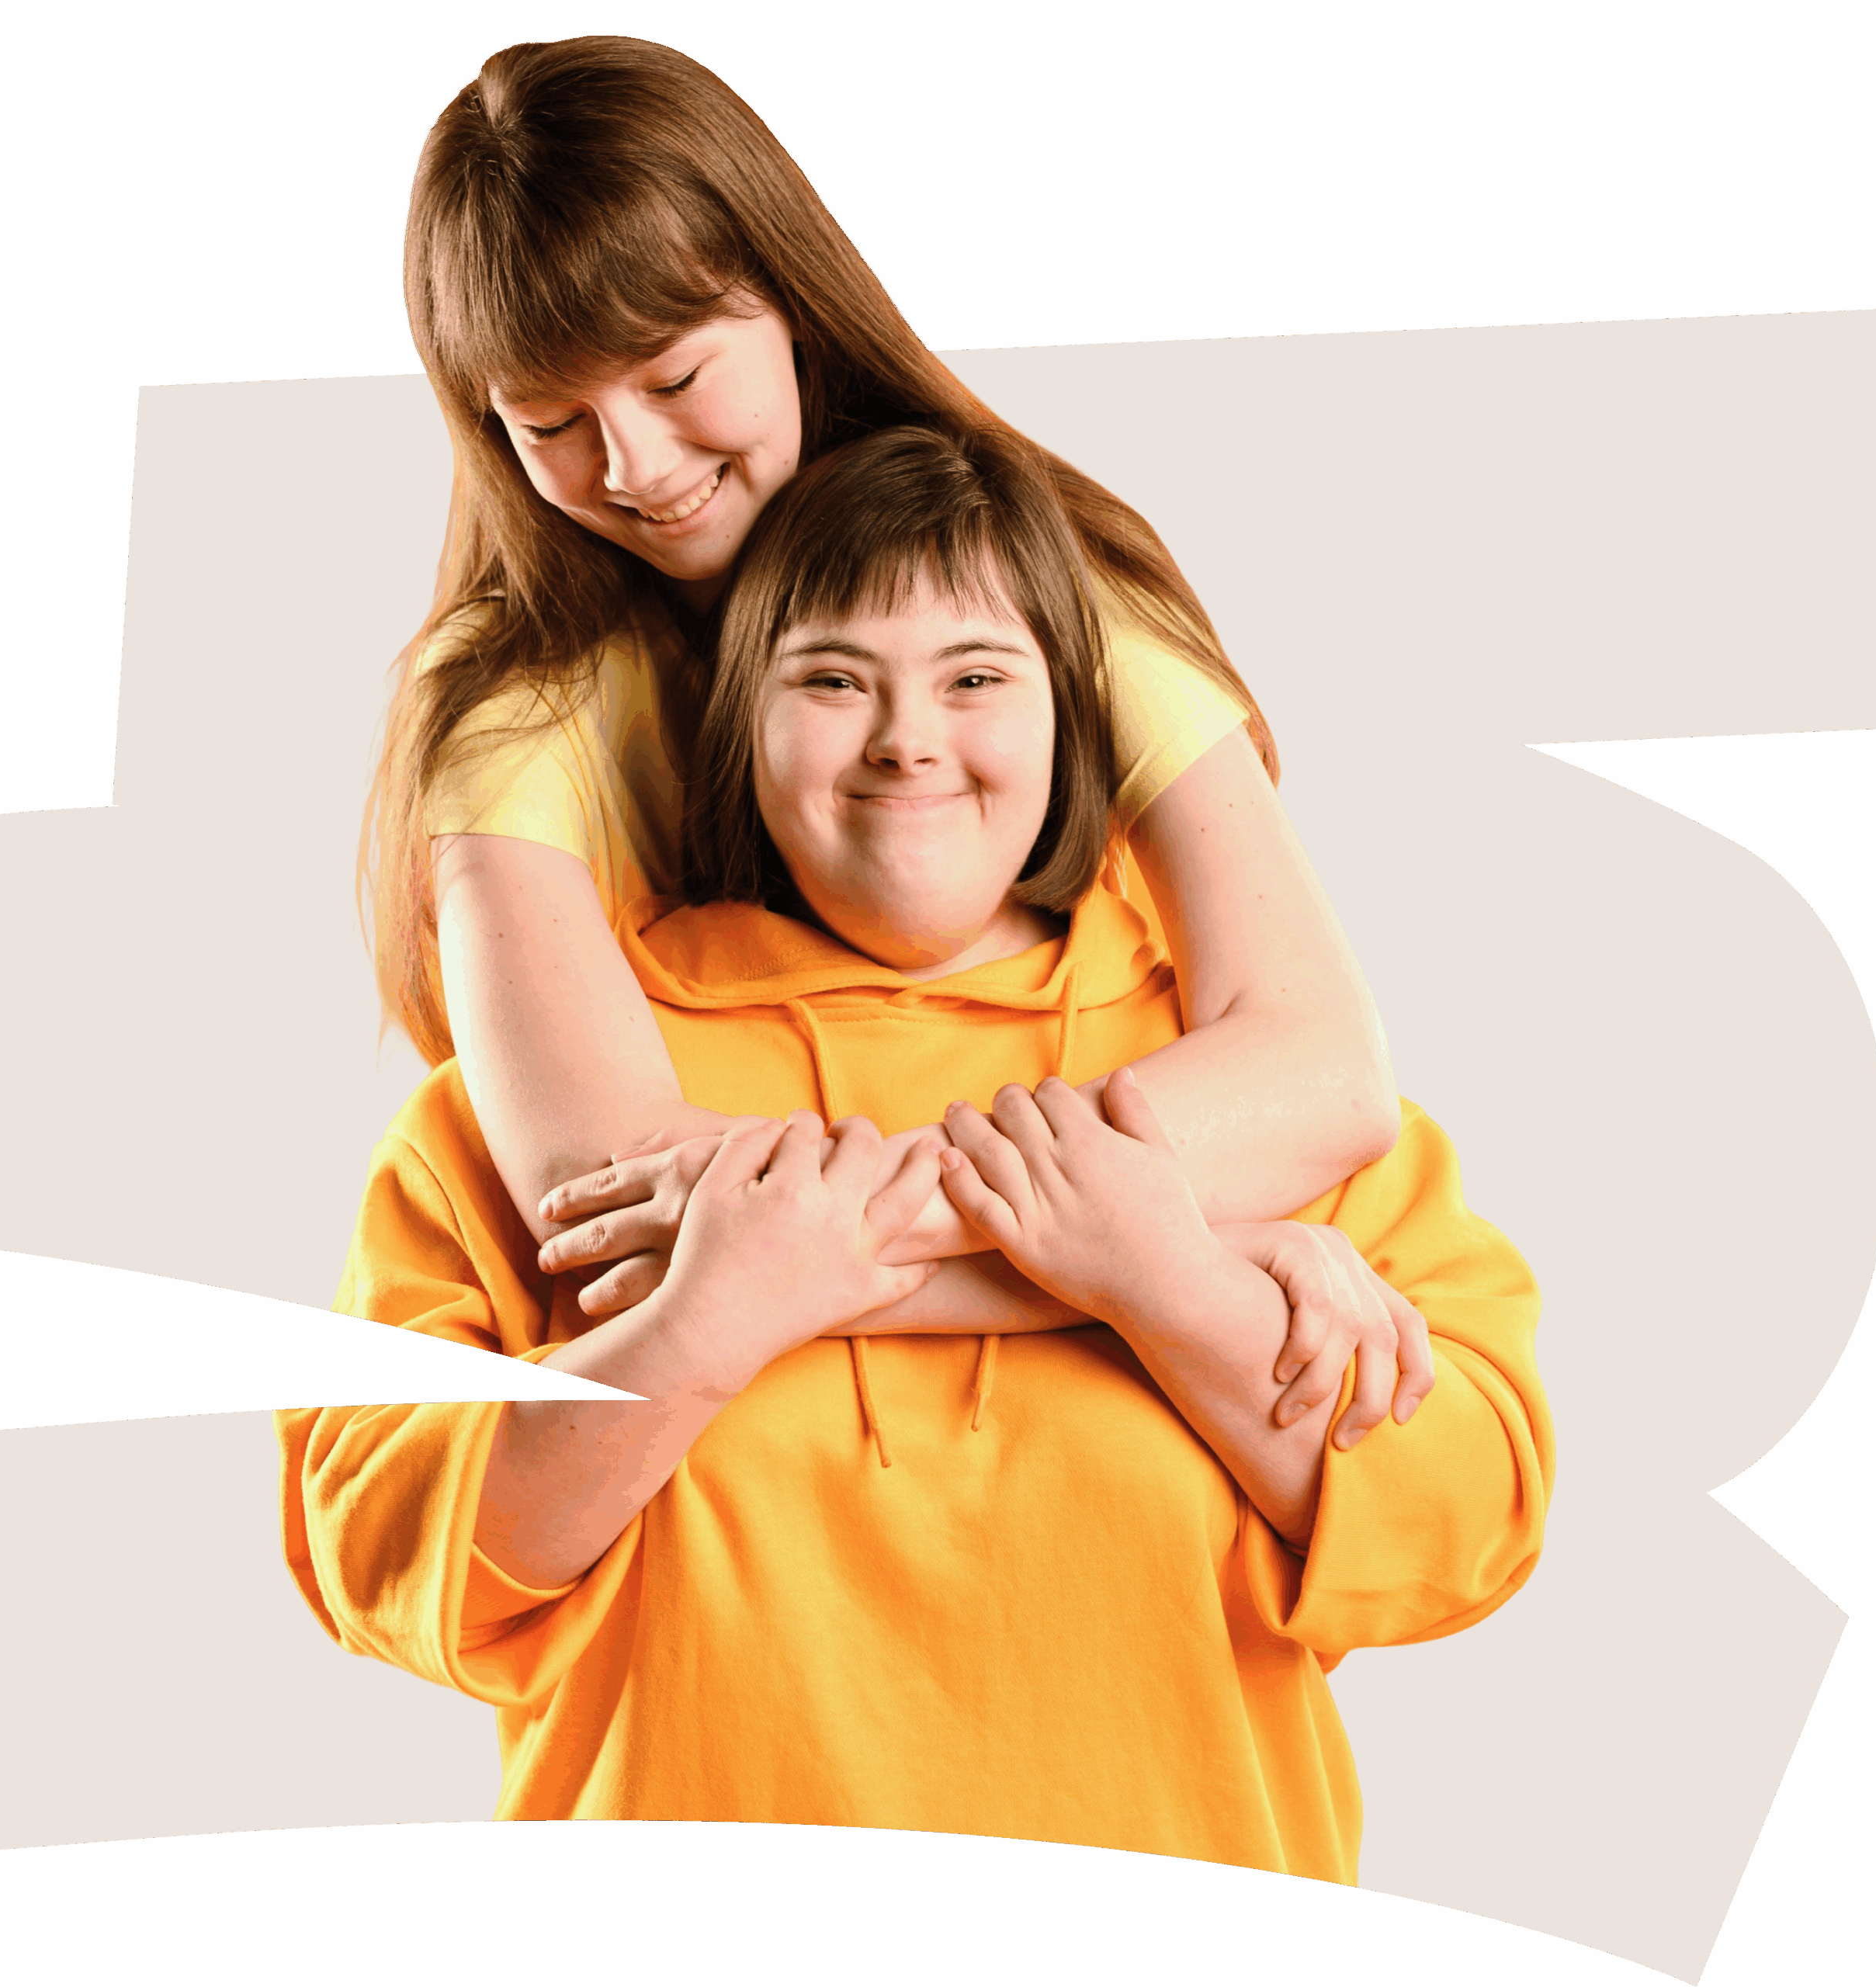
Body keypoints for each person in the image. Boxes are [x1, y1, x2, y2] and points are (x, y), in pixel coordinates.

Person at [281, 426, 1552, 1879]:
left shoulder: (1256, 1110)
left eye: (976, 677)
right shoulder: (510, 1123)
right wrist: (698, 1332)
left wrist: (1180, 1290)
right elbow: (375, 1551)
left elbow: (1476, 1520)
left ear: (1076, 717)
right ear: (734, 724)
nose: (907, 738)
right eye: (830, 678)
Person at [368, 34, 1430, 1439]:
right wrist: (1180, 1265)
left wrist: (1120, 1266)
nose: (634, 468)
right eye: (551, 423)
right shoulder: (516, 700)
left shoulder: (1045, 573)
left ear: (793, 308)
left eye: (677, 380)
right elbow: (616, 1217)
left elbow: (1316, 1068)